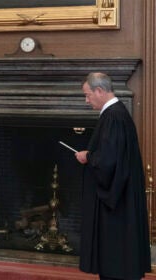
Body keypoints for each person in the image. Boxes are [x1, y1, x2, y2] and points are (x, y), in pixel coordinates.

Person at [75, 72, 151, 280]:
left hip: (116, 204)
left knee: (115, 260)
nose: (86, 100)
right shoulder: (117, 114)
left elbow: (108, 162)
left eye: (88, 95)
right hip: (121, 197)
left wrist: (87, 157)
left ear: (100, 91)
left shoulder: (113, 116)